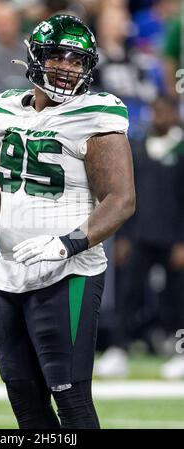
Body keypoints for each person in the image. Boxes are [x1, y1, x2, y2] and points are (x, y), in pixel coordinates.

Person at [0, 14, 135, 429]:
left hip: (69, 272)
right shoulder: (4, 107)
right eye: (58, 56)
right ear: (34, 57)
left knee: (70, 397)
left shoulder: (97, 113)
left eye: (77, 60)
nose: (68, 67)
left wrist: (68, 243)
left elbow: (121, 201)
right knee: (26, 403)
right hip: (10, 272)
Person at [95, 97, 184, 379]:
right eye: (156, 110)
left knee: (177, 299)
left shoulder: (181, 149)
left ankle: (179, 352)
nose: (160, 116)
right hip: (139, 236)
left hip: (174, 239)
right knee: (127, 295)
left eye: (166, 110)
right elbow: (125, 196)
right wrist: (123, 235)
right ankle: (118, 350)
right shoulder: (136, 147)